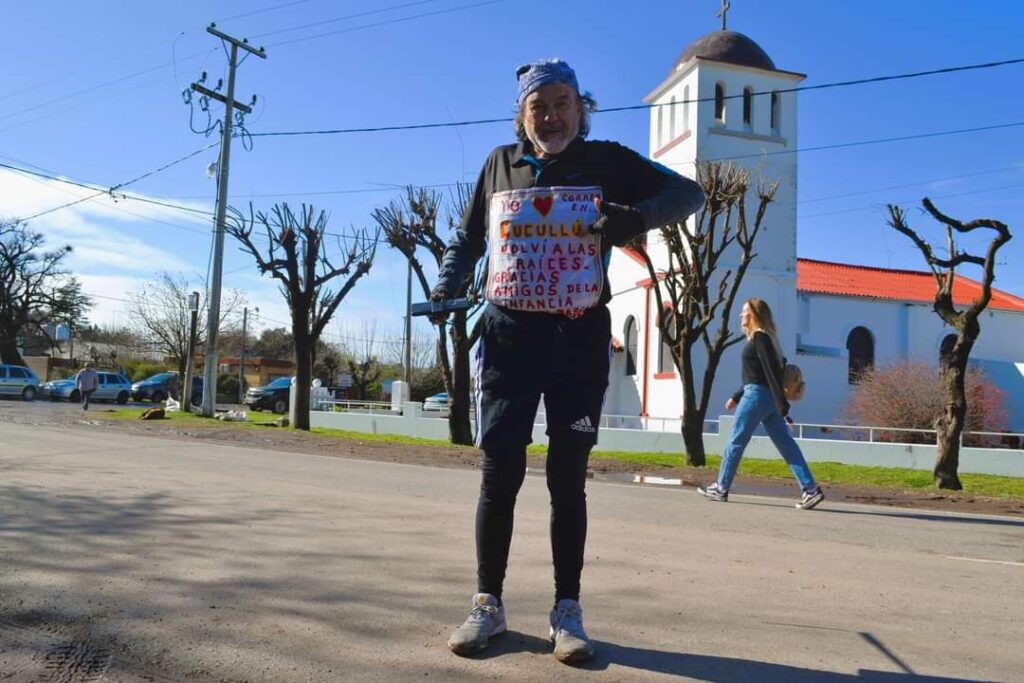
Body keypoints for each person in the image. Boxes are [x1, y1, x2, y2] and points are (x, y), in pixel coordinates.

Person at [431, 58, 705, 663]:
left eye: (562, 103)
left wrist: (637, 218)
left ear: (582, 109)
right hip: (507, 341)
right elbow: (468, 239)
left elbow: (688, 192)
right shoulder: (499, 164)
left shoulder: (607, 160)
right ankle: (487, 605)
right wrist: (449, 285)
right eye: (538, 106)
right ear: (522, 115)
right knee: (499, 472)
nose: (550, 115)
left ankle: (567, 612)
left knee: (566, 481)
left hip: (578, 345)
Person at [697, 298, 825, 510]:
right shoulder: (766, 339)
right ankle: (810, 490)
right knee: (786, 445)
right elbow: (760, 374)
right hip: (763, 398)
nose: (741, 315)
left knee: (735, 441)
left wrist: (783, 407)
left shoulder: (760, 338)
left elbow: (770, 375)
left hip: (757, 397)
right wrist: (738, 396)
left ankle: (721, 488)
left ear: (755, 314)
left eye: (744, 311)